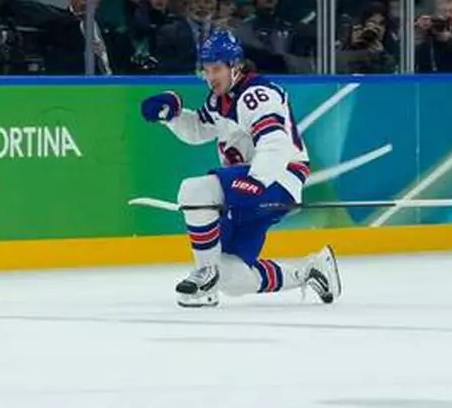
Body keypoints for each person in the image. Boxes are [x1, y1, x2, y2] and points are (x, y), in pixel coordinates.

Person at [139, 30, 340, 308]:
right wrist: (171, 116)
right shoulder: (219, 100)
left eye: (216, 69)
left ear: (235, 66)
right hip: (252, 185)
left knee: (195, 190)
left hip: (277, 178)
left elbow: (275, 142)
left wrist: (258, 180)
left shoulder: (255, 95)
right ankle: (309, 271)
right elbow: (198, 130)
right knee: (230, 276)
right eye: (206, 70)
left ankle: (205, 278)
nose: (210, 76)